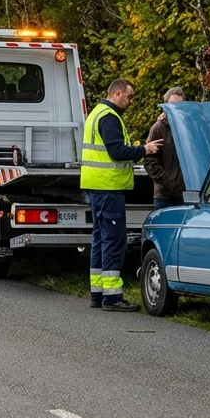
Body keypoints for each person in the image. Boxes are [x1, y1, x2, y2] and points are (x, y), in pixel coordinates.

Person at [81, 79, 162, 312]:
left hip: (97, 187)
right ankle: (112, 297)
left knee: (99, 240)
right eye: (130, 96)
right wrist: (145, 150)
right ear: (116, 93)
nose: (131, 100)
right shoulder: (109, 117)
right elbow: (117, 152)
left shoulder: (97, 113)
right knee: (114, 241)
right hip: (108, 188)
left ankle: (98, 294)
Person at [143, 87, 187, 209]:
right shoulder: (158, 129)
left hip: (187, 193)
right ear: (165, 107)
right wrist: (167, 179)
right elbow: (149, 159)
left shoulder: (190, 128)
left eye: (180, 105)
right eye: (172, 105)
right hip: (164, 195)